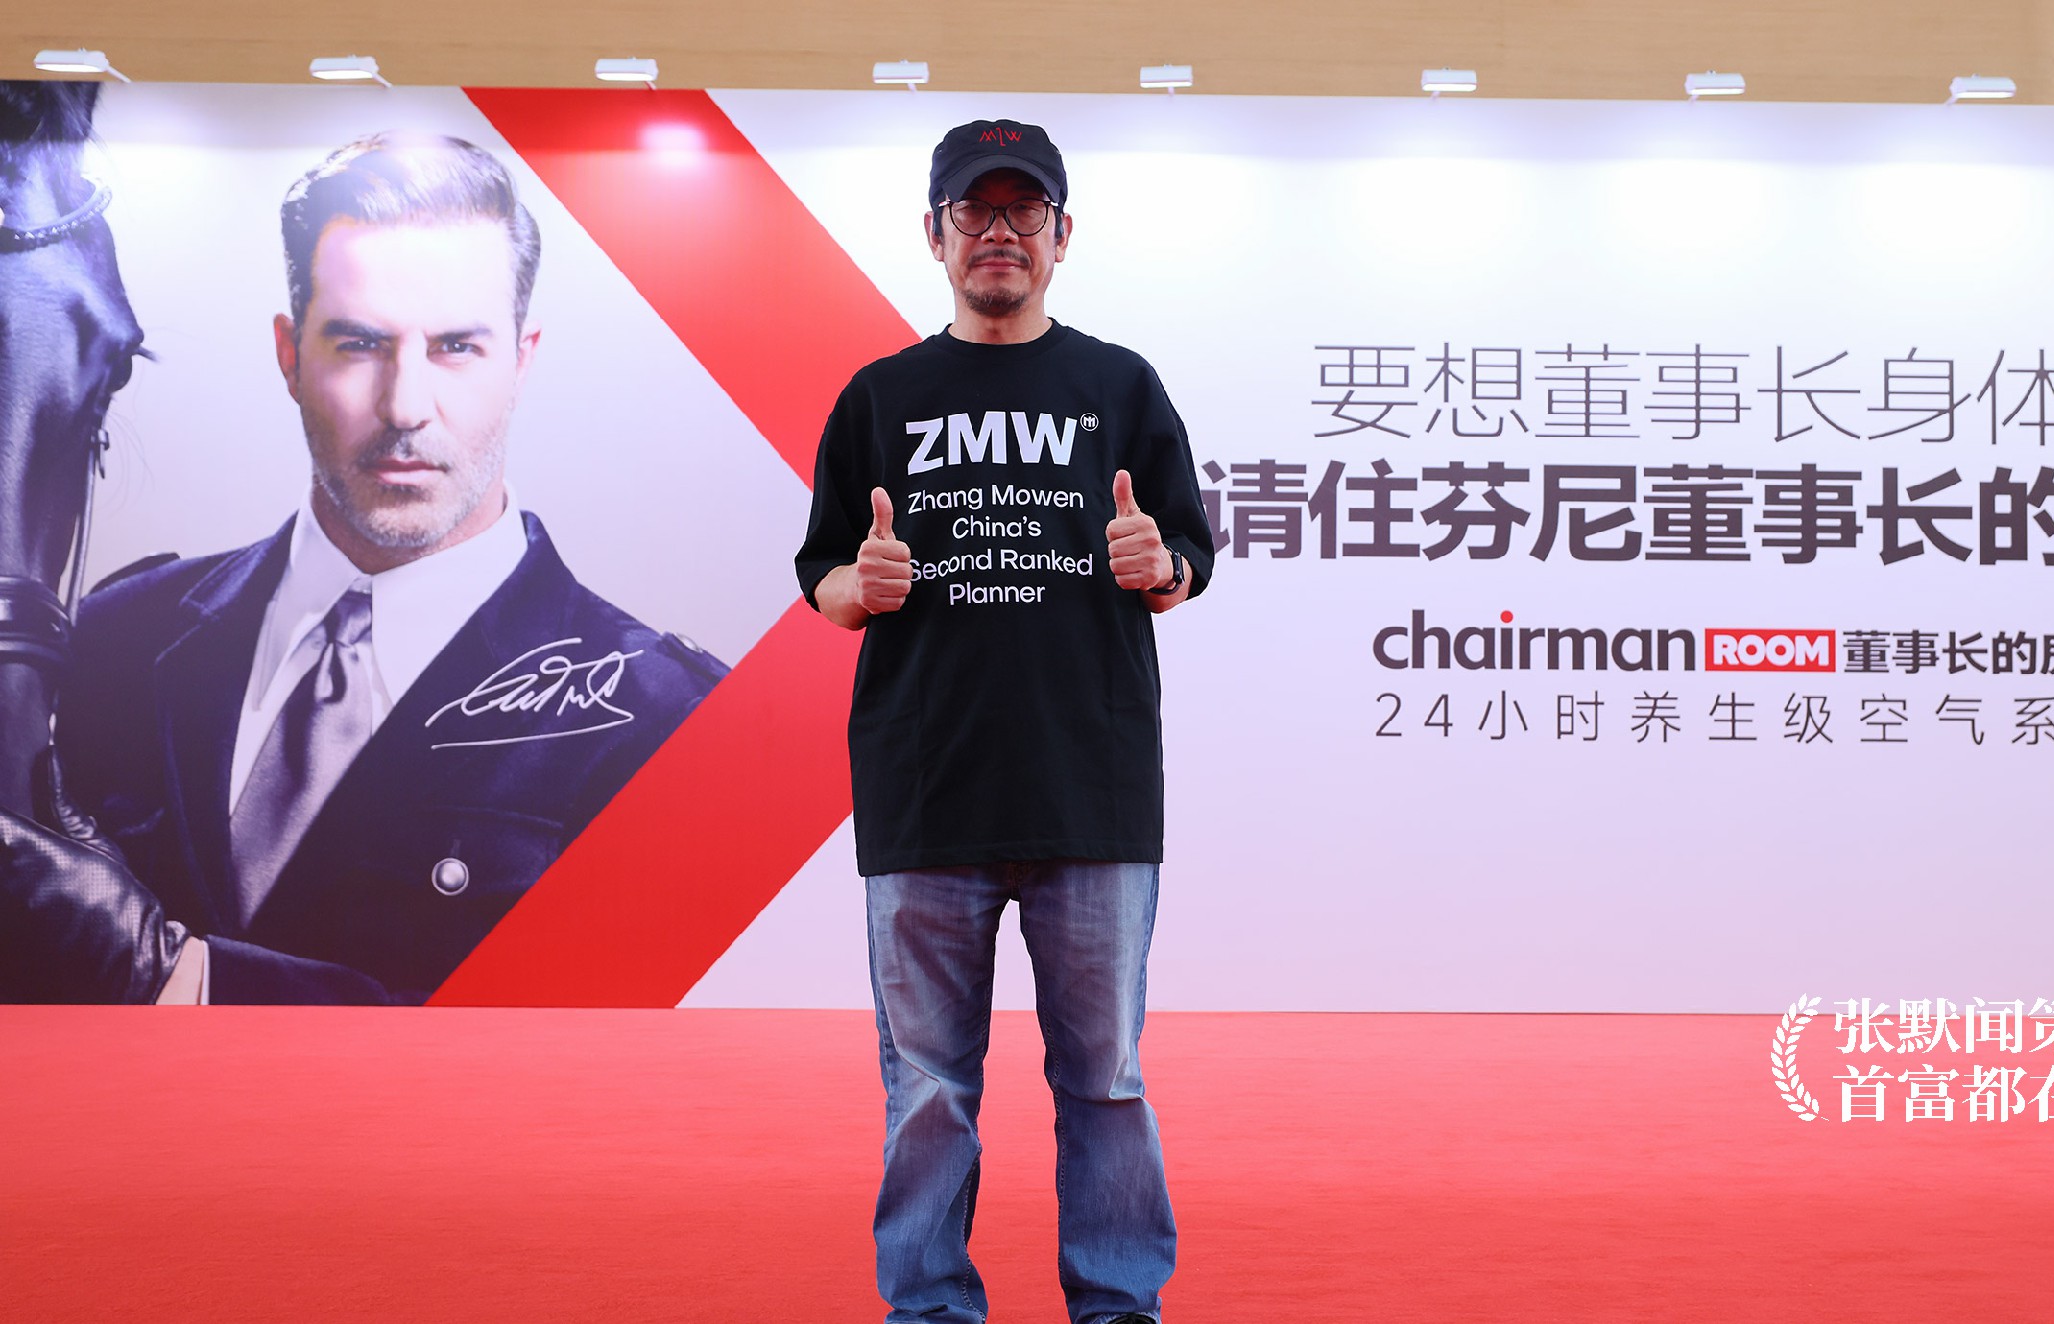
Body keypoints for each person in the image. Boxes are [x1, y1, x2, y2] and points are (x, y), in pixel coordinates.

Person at [0, 132, 722, 1005]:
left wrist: (182, 977)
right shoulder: (119, 636)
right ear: (289, 356)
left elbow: (591, 1061)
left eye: (456, 347)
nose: (405, 407)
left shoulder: (667, 722)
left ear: (521, 361)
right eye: (359, 344)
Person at [791, 119, 1212, 1324]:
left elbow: (1186, 557)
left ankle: (1117, 1303)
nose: (999, 233)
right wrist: (857, 585)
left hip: (1093, 791)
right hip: (927, 792)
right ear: (934, 235)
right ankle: (929, 1306)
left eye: (1025, 212)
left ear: (1062, 236)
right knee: (927, 1088)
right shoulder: (881, 396)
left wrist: (1158, 563)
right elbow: (822, 573)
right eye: (974, 211)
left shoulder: (1121, 388)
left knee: (1107, 1078)